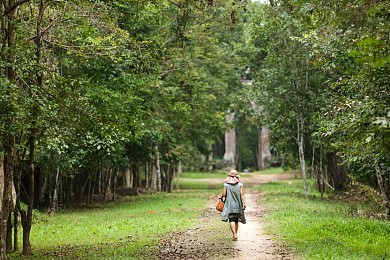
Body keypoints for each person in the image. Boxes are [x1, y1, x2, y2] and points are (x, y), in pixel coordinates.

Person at [221, 169, 246, 241]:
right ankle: (236, 234)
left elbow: (224, 194)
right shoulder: (240, 185)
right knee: (236, 220)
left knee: (231, 219)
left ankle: (234, 234)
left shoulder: (226, 185)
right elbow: (242, 195)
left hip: (229, 205)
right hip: (238, 205)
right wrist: (244, 203)